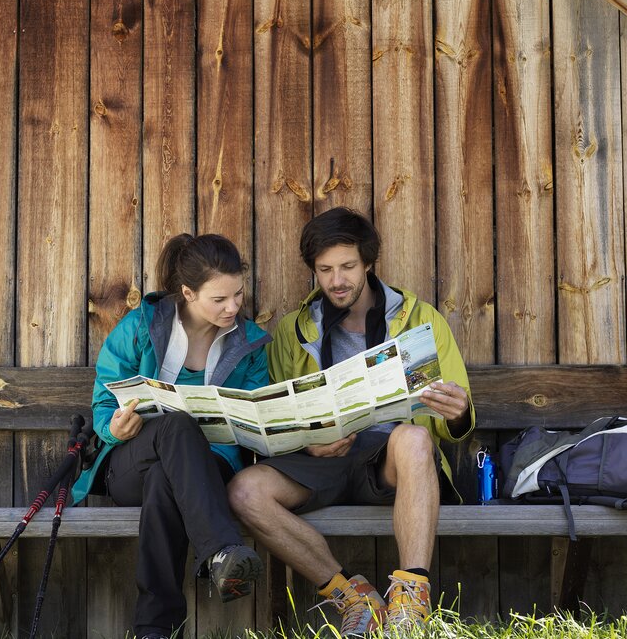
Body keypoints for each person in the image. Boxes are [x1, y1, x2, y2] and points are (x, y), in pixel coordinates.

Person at [227, 208, 474, 637]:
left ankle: (411, 602)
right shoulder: (293, 330)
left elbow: (452, 420)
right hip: (322, 460)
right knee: (245, 490)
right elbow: (277, 418)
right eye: (325, 270)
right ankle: (354, 597)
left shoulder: (420, 321)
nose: (337, 280)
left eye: (347, 267)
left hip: (388, 461)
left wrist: (459, 412)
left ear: (368, 263)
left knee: (414, 437)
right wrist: (308, 444)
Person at [71, 233, 271, 639]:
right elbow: (105, 398)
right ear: (187, 292)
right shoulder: (141, 327)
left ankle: (154, 629)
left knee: (168, 480)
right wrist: (113, 426)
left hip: (209, 469)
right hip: (130, 465)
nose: (233, 306)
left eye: (237, 294)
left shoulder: (248, 344)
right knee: (178, 425)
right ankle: (220, 549)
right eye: (219, 299)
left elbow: (259, 414)